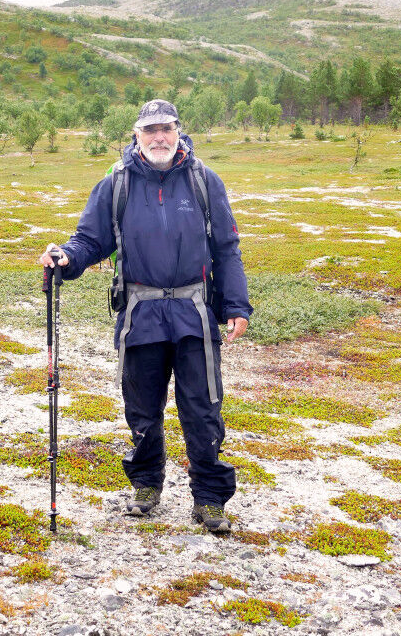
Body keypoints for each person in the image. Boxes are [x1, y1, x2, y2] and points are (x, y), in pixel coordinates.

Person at [39, 99, 251, 533]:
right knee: (142, 407)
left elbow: (226, 248)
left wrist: (236, 305)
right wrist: (66, 257)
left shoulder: (204, 181)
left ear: (178, 131)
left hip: (194, 311)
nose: (159, 137)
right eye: (149, 130)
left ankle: (210, 498)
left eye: (166, 128)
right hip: (140, 312)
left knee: (203, 408)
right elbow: (89, 240)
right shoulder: (115, 184)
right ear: (136, 135)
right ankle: (147, 484)